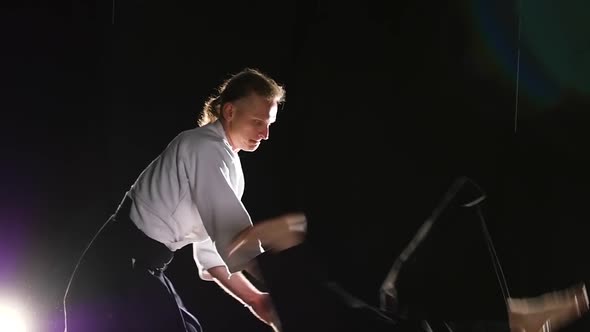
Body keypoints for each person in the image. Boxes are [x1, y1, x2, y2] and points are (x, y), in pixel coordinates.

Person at [63, 68, 288, 332]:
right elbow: (235, 238)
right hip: (115, 266)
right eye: (257, 122)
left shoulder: (228, 165)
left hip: (138, 266)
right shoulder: (203, 147)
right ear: (229, 112)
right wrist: (289, 288)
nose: (265, 134)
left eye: (268, 124)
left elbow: (212, 253)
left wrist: (255, 300)